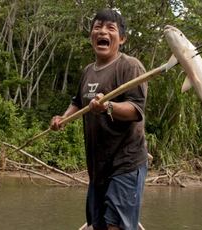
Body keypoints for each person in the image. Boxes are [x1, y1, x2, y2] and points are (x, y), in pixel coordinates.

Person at [50, 8, 148, 230]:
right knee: (98, 225)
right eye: (97, 27)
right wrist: (62, 119)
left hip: (126, 162)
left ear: (121, 38)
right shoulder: (88, 71)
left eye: (110, 28)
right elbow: (77, 102)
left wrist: (108, 106)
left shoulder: (130, 66)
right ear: (91, 35)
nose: (102, 31)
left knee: (115, 225)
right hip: (98, 166)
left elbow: (135, 110)